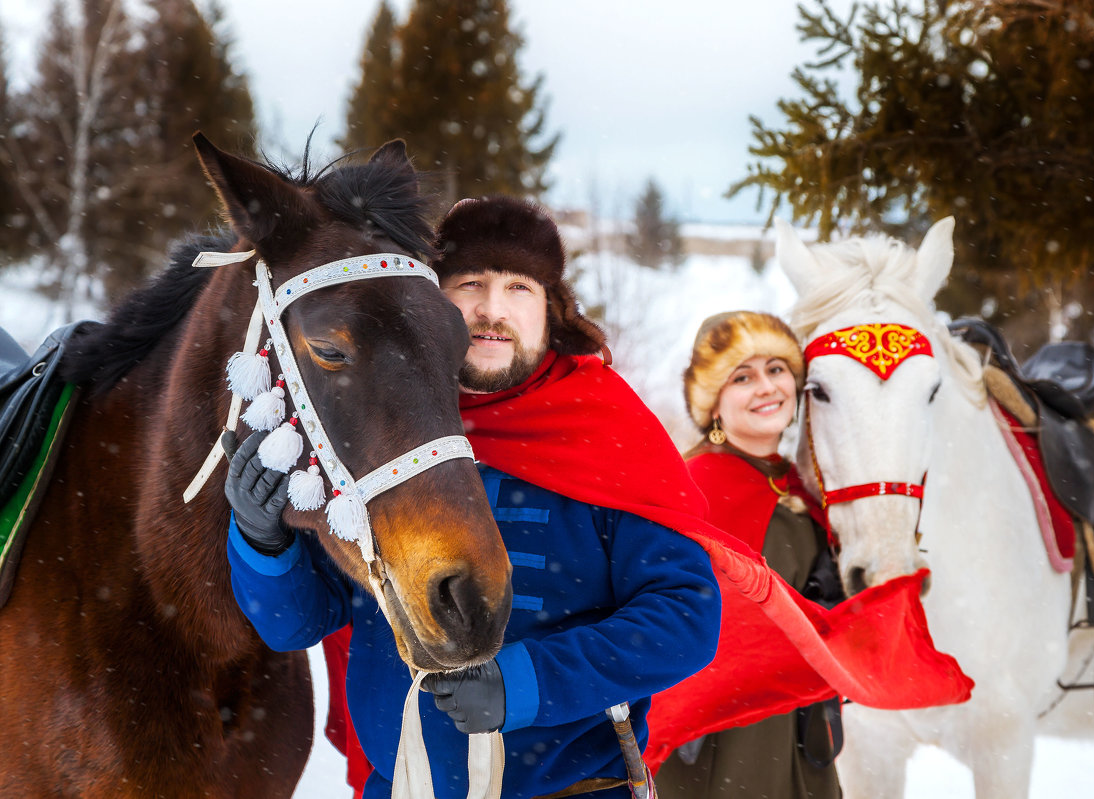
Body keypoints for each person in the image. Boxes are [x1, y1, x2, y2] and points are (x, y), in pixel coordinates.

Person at [223, 196, 723, 799]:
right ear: (433, 305)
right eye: (470, 284)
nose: (492, 309)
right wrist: (263, 542)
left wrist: (528, 682)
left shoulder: (609, 435)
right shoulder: (383, 435)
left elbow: (686, 619)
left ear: (551, 311)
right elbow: (297, 622)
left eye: (519, 288)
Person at [653, 311, 845, 799]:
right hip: (725, 733)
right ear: (713, 402)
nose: (767, 387)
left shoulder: (799, 482)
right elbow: (677, 621)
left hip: (799, 724)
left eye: (777, 369)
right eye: (743, 377)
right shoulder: (697, 488)